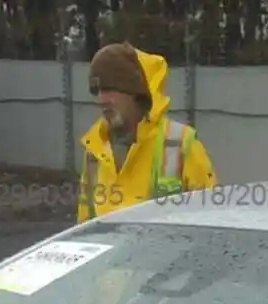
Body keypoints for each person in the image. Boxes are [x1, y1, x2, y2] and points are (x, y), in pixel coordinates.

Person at [76, 42, 217, 221]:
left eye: (109, 89)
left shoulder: (180, 142)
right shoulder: (95, 148)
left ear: (135, 92)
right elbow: (84, 224)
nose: (101, 99)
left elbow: (210, 219)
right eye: (97, 91)